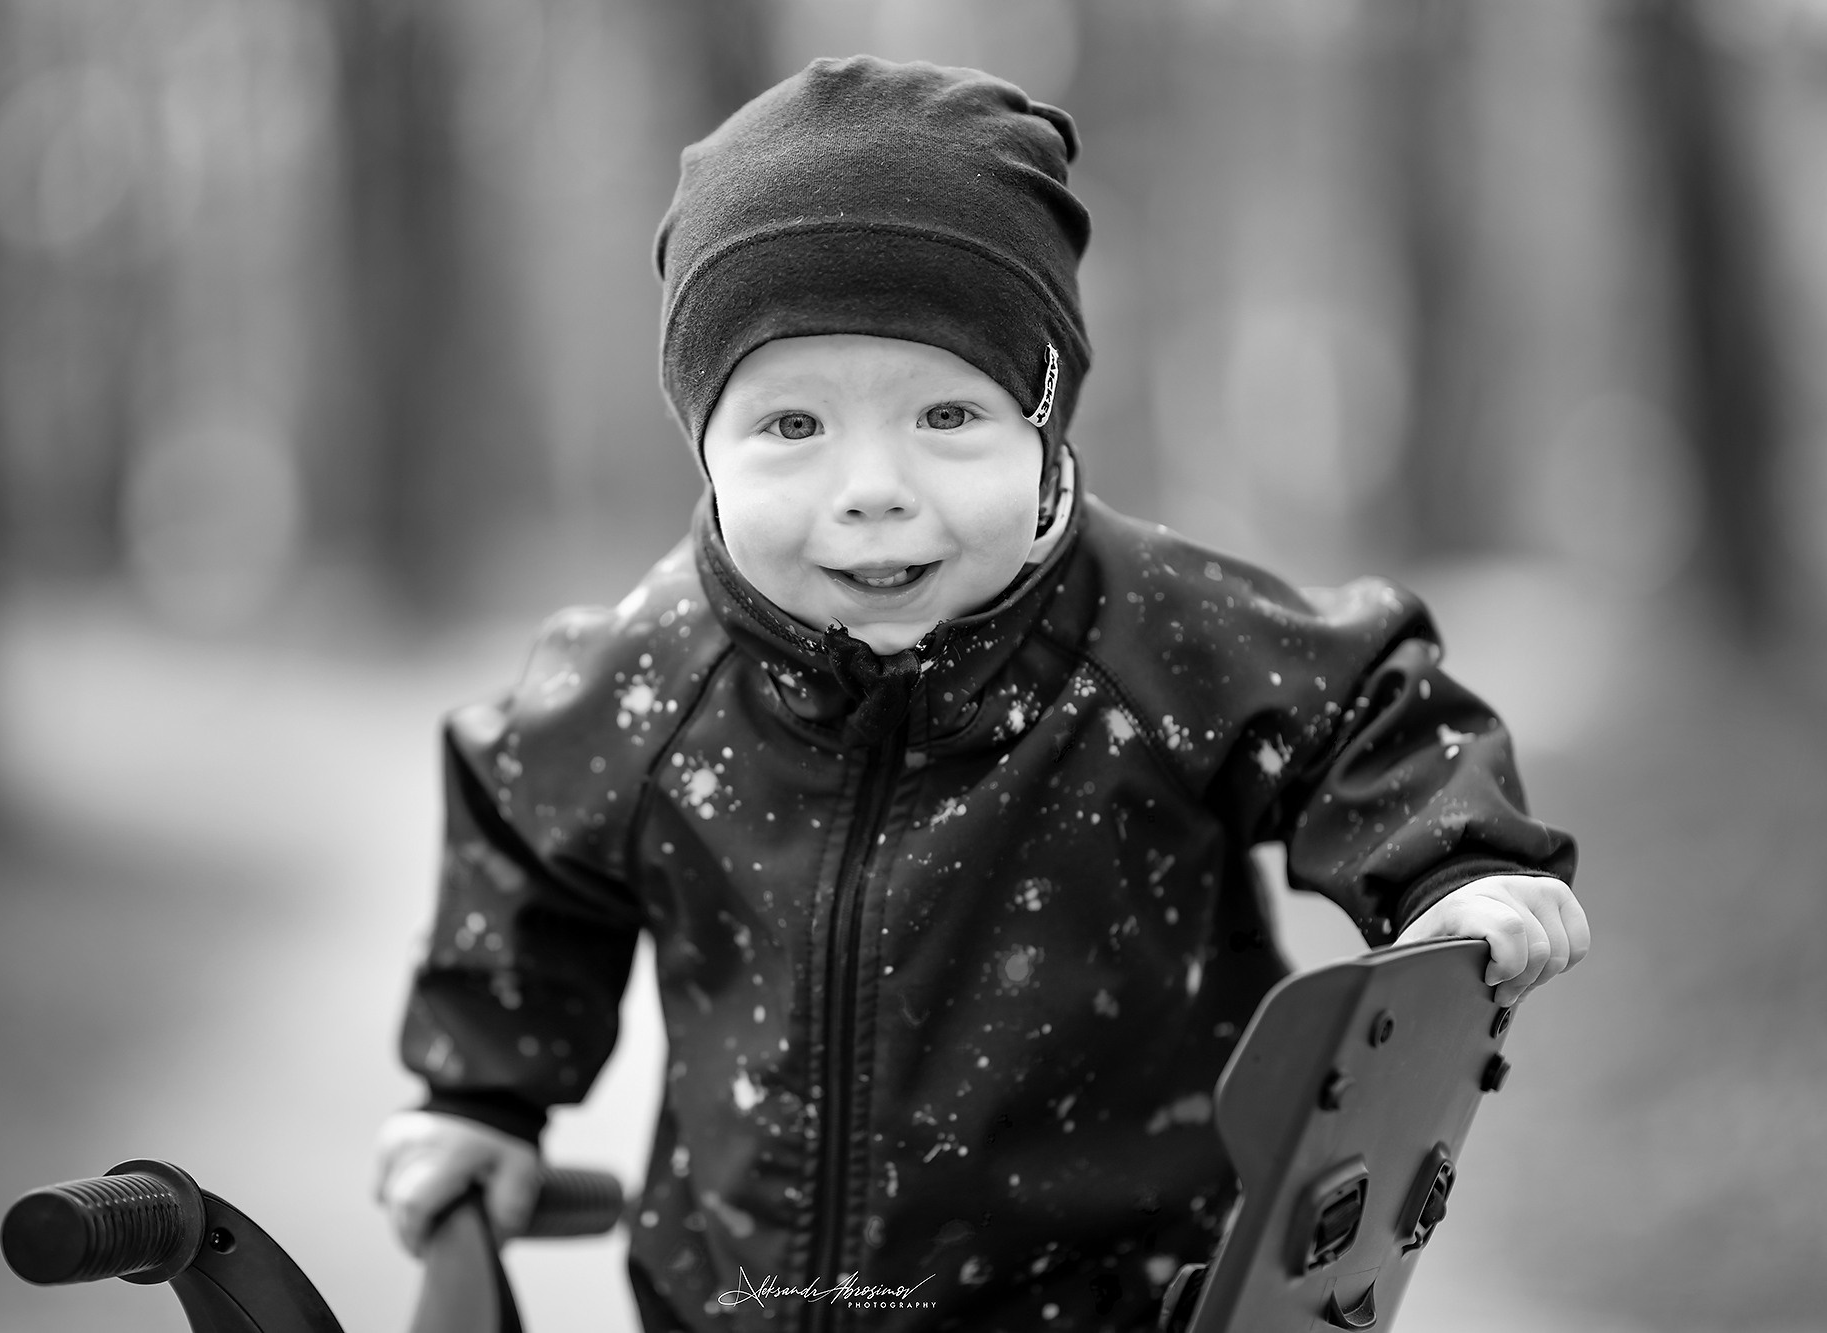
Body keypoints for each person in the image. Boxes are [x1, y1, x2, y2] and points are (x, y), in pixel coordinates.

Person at [373, 56, 1588, 1331]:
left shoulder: (1152, 634)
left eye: (947, 414)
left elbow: (1358, 711)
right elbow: (525, 840)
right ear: (704, 444)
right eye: (791, 426)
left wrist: (1453, 870)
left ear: (1043, 423)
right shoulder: (653, 678)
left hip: (1114, 1301)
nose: (871, 489)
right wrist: (480, 1099)